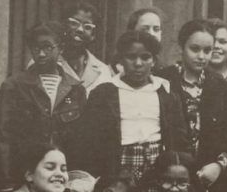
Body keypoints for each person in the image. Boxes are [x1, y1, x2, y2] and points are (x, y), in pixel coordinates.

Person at [72, 30, 189, 183]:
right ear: (121, 59)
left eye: (145, 57)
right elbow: (88, 139)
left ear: (154, 61)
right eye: (131, 57)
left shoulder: (166, 94)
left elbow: (179, 138)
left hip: (157, 168)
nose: (138, 63)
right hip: (115, 168)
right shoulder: (104, 93)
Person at [0, 21, 86, 192]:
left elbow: (80, 141)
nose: (41, 54)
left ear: (61, 48)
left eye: (47, 47)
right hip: (23, 177)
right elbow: (3, 138)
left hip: (61, 180)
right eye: (36, 48)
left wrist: (75, 180)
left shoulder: (76, 90)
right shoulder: (14, 86)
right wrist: (7, 182)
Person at [162, 19, 227, 192]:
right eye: (195, 49)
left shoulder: (220, 86)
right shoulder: (163, 80)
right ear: (181, 48)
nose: (202, 56)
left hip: (207, 178)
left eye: (207, 50)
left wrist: (219, 165)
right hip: (168, 177)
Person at [59, 0, 112, 95]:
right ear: (64, 26)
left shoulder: (102, 71)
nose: (80, 29)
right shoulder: (44, 62)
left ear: (93, 35)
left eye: (87, 27)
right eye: (74, 23)